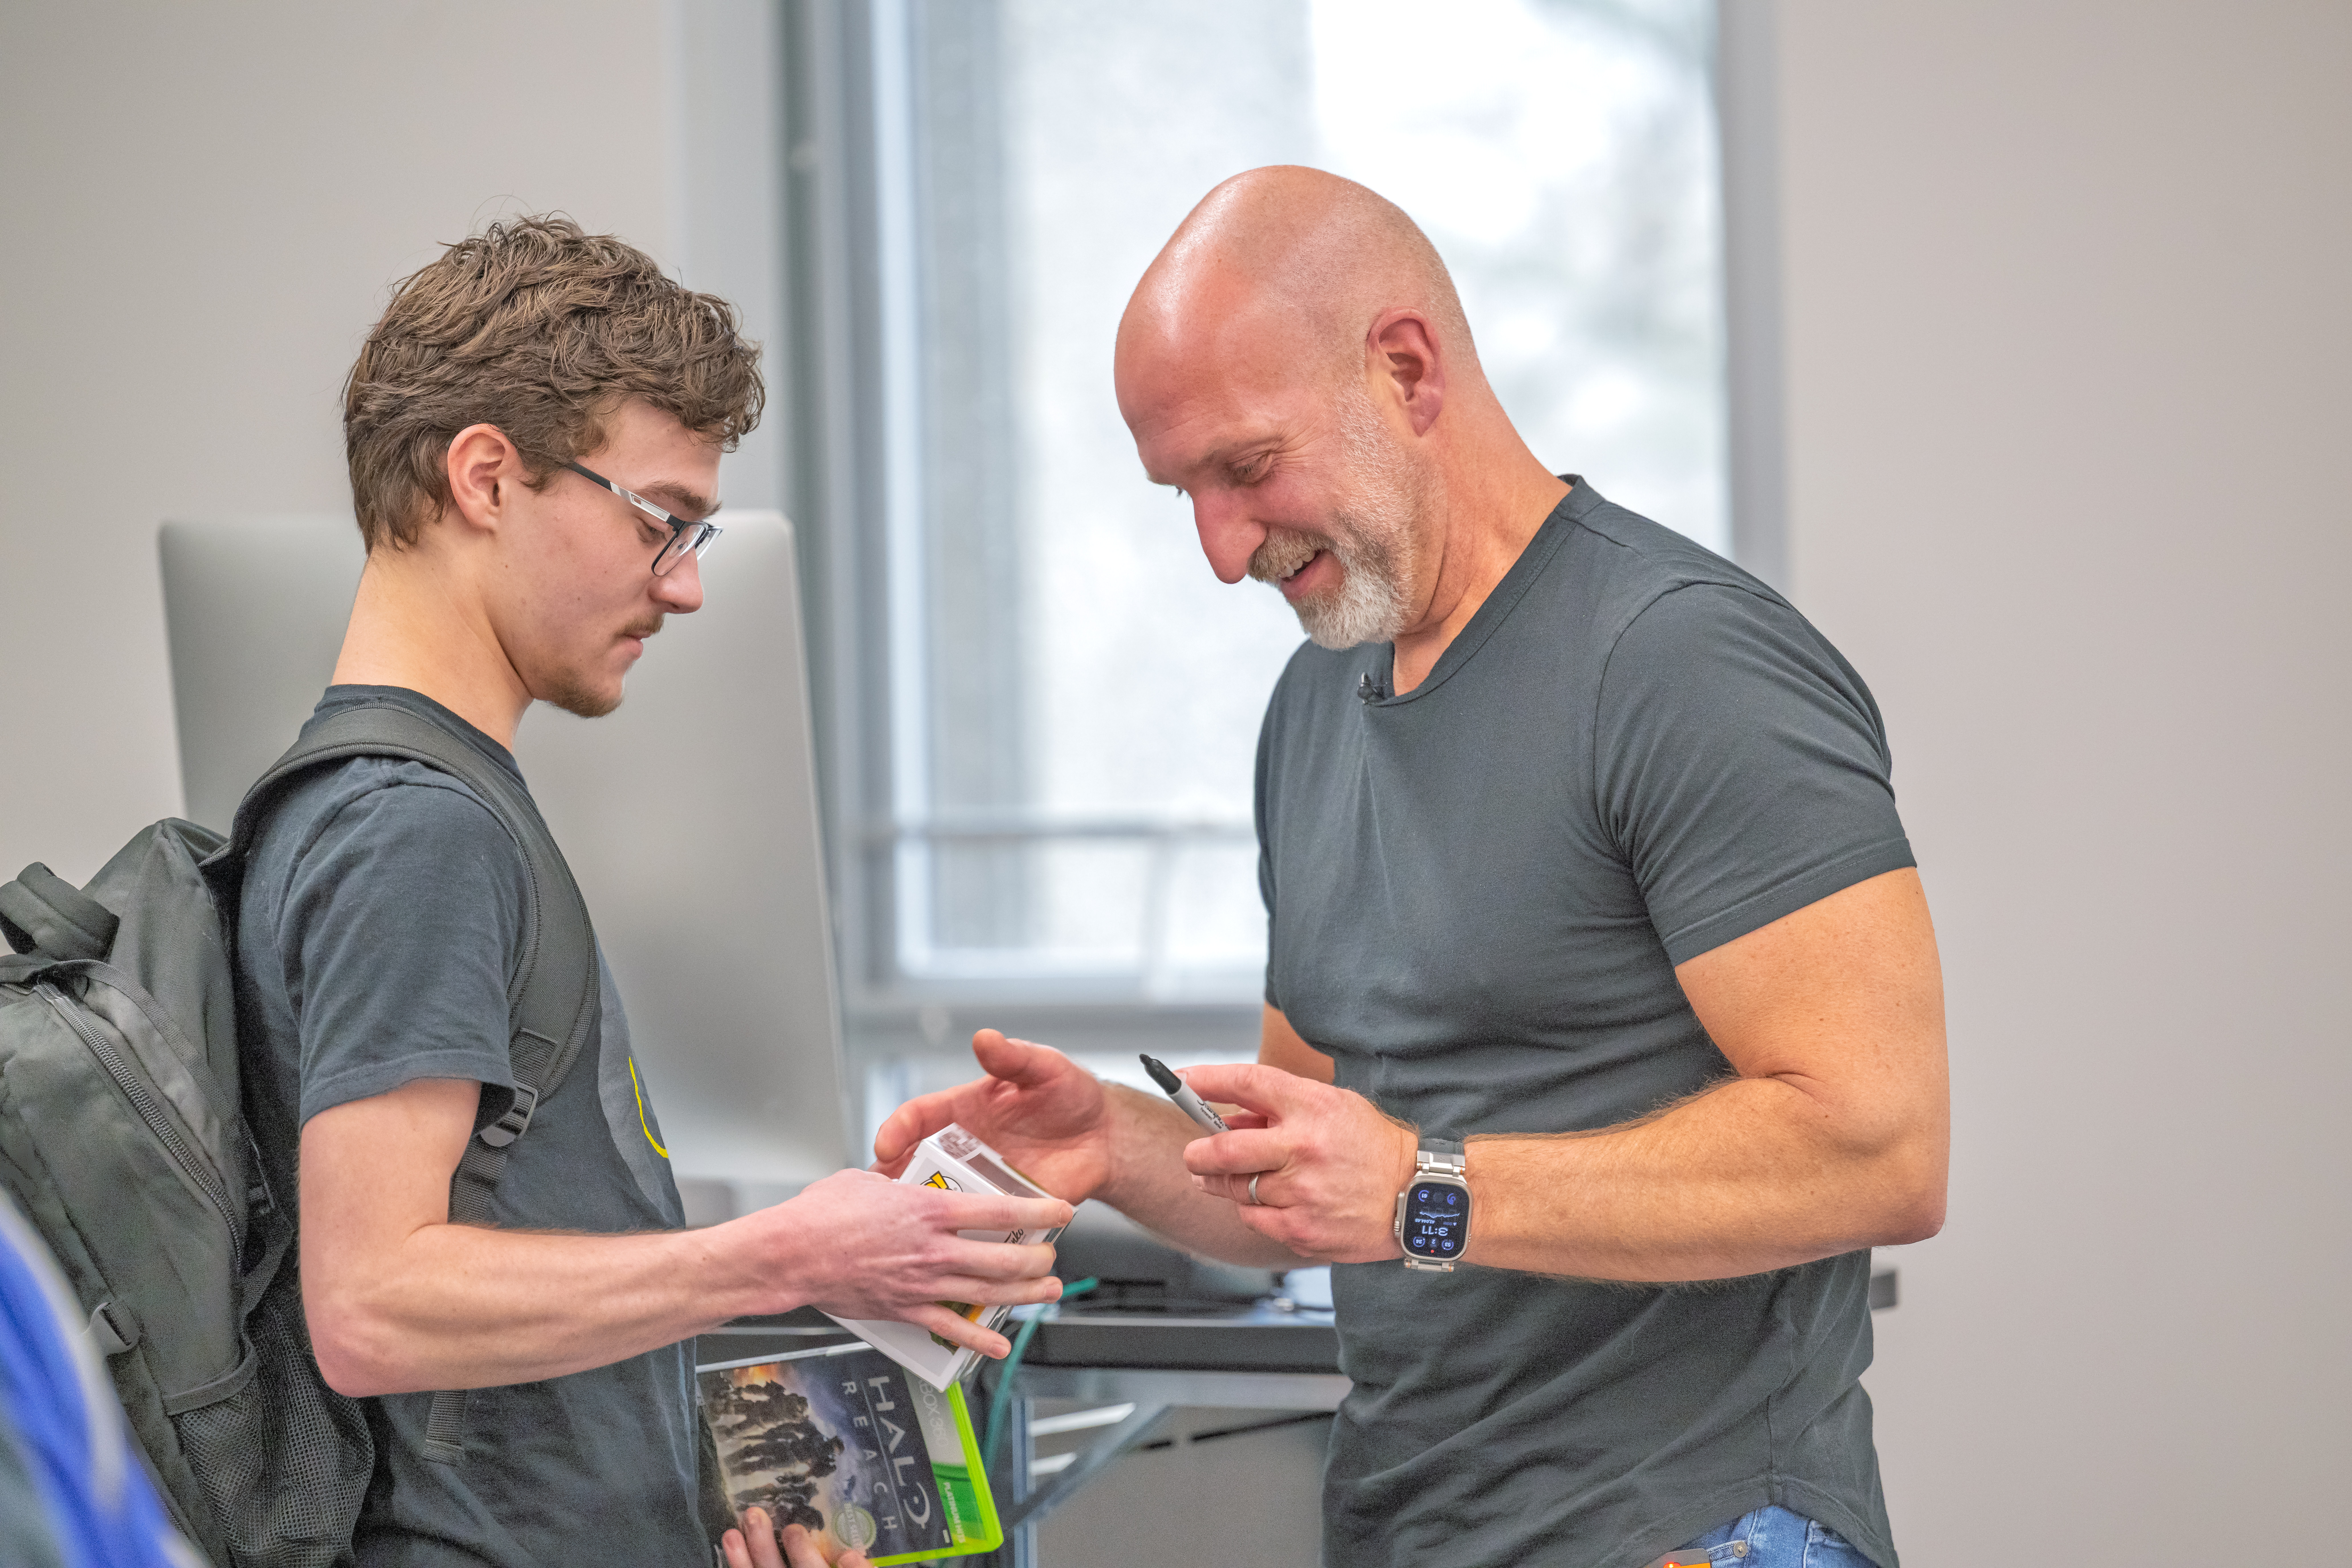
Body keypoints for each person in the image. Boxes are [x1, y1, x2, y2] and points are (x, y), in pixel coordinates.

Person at [877, 168, 1948, 1568]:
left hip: (1699, 1527)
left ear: (1405, 370)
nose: (1220, 552)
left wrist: (1419, 1186)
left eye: (1246, 468)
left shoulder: (1683, 661)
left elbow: (1882, 1149)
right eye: (1183, 492)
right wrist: (1114, 1143)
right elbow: (1315, 1174)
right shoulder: (1317, 699)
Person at [240, 216, 1069, 1567]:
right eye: (658, 520)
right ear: (487, 478)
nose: (683, 586)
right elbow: (375, 1300)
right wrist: (786, 1253)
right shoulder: (413, 830)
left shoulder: (414, 808)